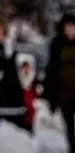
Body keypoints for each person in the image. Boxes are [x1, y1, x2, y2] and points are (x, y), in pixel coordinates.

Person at [45, 11, 75, 152]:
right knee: (70, 125)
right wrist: (50, 96)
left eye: (72, 27)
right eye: (67, 27)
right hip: (64, 94)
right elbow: (51, 70)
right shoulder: (57, 44)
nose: (70, 30)